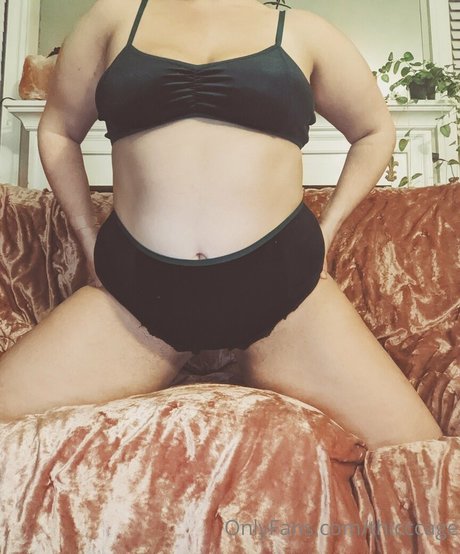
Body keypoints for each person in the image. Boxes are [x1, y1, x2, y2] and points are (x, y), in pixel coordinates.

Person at [0, 0, 442, 450]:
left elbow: (374, 130)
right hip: (135, 290)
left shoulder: (305, 31)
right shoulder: (111, 19)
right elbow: (58, 129)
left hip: (283, 285)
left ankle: (263, 357)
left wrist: (328, 229)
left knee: (421, 449)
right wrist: (87, 237)